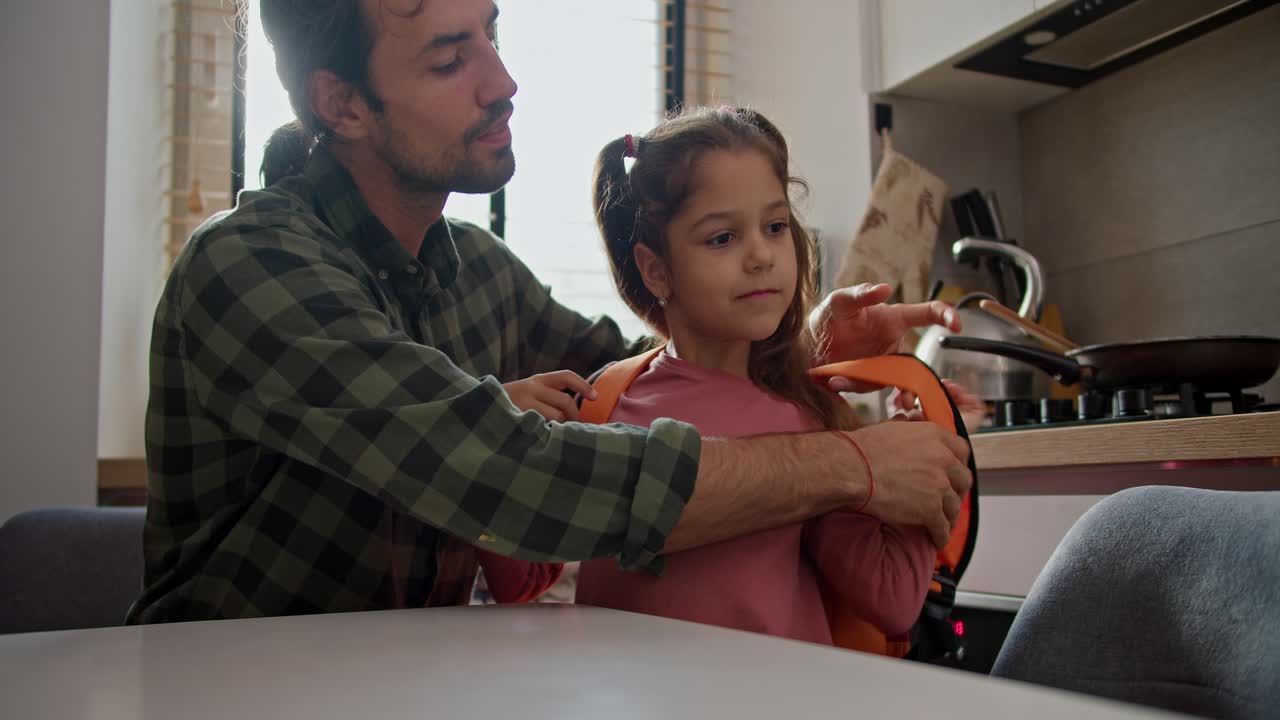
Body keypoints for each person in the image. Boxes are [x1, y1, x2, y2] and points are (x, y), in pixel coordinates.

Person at [126, 0, 971, 623]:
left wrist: (805, 338)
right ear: (343, 104)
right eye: (451, 58)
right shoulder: (251, 267)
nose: (503, 81)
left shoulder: (479, 270)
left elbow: (659, 372)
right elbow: (514, 473)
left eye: (491, 33)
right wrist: (851, 465)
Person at [566, 106, 946, 643]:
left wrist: (916, 466)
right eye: (722, 238)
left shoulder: (810, 420)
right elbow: (522, 572)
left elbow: (890, 600)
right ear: (656, 269)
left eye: (774, 227)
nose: (762, 255)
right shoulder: (602, 403)